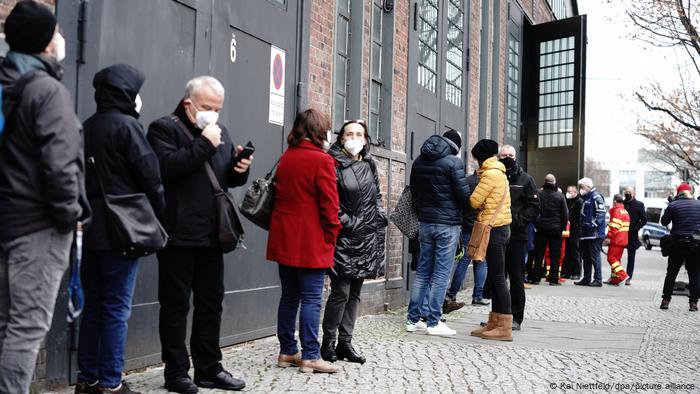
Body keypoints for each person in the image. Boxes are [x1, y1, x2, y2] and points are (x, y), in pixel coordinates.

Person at [0, 3, 89, 393]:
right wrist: (70, 213)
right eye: (54, 33)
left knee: (7, 323)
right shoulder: (46, 90)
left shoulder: (7, 81)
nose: (60, 39)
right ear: (44, 42)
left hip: (7, 219)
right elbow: (60, 163)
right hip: (39, 225)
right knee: (27, 326)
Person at [147, 76, 252, 393]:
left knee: (211, 303)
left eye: (217, 108)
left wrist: (239, 168)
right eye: (207, 107)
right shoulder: (163, 129)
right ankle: (176, 372)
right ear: (189, 102)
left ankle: (209, 369)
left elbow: (224, 181)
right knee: (176, 305)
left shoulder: (220, 131)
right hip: (177, 235)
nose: (213, 113)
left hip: (212, 235)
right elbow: (168, 169)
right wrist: (205, 143)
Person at [75, 64, 163, 394]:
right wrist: (158, 217)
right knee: (116, 308)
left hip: (89, 226)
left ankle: (87, 378)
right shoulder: (128, 127)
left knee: (94, 306)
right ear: (127, 92)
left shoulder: (87, 126)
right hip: (122, 230)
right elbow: (151, 178)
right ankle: (111, 382)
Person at [267, 109, 341, 373]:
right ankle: (310, 354)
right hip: (311, 240)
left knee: (289, 297)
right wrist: (333, 233)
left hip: (285, 237)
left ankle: (287, 350)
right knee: (311, 298)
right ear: (320, 131)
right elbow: (330, 206)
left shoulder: (287, 157)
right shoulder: (322, 161)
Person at [320, 120, 387, 365]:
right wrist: (351, 223)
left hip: (366, 236)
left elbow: (377, 195)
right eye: (349, 133)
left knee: (355, 293)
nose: (354, 138)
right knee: (341, 292)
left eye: (359, 134)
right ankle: (327, 342)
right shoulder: (333, 163)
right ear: (341, 138)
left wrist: (379, 217)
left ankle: (345, 342)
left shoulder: (369, 163)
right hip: (344, 237)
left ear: (366, 139)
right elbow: (330, 203)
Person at [405, 129, 470, 337]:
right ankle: (434, 322)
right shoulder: (453, 162)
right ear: (456, 147)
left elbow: (414, 193)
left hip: (426, 223)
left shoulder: (418, 162)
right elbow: (463, 196)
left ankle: (413, 319)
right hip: (447, 225)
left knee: (423, 272)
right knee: (441, 273)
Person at [468, 139, 513, 342]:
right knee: (495, 278)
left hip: (494, 229)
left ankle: (503, 327)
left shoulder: (491, 174)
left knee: (497, 278)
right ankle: (494, 322)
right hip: (501, 228)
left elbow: (474, 200)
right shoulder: (498, 172)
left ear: (480, 156)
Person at [497, 145, 539, 331]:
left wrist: (518, 221)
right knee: (497, 278)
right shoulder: (495, 177)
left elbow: (535, 207)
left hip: (517, 237)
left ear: (516, 157)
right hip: (497, 235)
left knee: (515, 279)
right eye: (503, 155)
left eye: (510, 155)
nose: (507, 158)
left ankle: (516, 318)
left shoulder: (526, 180)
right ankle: (497, 317)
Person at [442, 169, 489, 313]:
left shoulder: (467, 181)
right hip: (481, 225)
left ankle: (452, 294)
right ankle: (477, 296)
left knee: (463, 260)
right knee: (481, 261)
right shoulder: (487, 182)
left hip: (467, 225)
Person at [659, 183, 700, 312]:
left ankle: (665, 300)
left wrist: (671, 205)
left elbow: (664, 222)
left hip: (677, 244)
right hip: (695, 244)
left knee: (671, 273)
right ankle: (693, 303)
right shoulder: (698, 204)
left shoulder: (673, 205)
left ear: (678, 193)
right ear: (690, 192)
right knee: (694, 274)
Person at [530, 174, 568, 286]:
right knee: (555, 255)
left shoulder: (539, 194)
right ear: (554, 182)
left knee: (539, 254)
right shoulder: (560, 196)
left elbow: (534, 210)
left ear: (545, 182)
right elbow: (565, 214)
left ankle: (536, 278)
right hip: (555, 229)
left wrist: (537, 225)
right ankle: (554, 279)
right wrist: (562, 228)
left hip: (541, 228)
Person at [574, 177, 606, 287]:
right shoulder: (585, 197)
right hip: (585, 234)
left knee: (594, 256)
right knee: (586, 256)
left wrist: (593, 225)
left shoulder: (596, 197)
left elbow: (601, 214)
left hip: (594, 234)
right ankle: (586, 278)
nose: (581, 189)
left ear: (588, 186)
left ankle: (598, 279)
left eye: (582, 187)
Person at [604, 194, 630, 286]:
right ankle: (615, 278)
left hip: (616, 240)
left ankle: (623, 275)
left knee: (611, 258)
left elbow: (614, 226)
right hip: (622, 240)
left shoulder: (617, 211)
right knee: (616, 260)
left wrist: (608, 237)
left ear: (614, 201)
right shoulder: (625, 211)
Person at [623, 186, 646, 285]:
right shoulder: (622, 204)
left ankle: (628, 277)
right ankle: (616, 276)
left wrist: (636, 227)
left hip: (632, 235)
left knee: (631, 258)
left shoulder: (639, 205)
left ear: (634, 193)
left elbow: (644, 219)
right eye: (626, 191)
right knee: (615, 256)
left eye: (630, 192)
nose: (628, 193)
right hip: (621, 234)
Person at [562, 186, 583, 280]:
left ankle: (576, 272)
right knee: (567, 252)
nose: (568, 193)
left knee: (575, 252)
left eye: (570, 191)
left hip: (575, 230)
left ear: (575, 192)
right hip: (568, 230)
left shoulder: (579, 202)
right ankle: (567, 272)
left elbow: (578, 217)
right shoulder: (567, 201)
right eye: (567, 191)